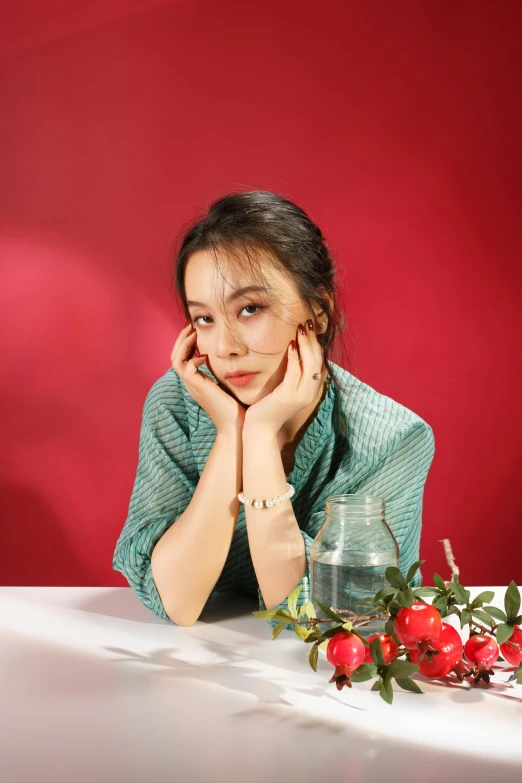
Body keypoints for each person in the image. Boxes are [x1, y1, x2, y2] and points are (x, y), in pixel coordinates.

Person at [112, 189, 435, 629]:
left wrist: (260, 436)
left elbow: (315, 617)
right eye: (204, 318)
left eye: (250, 309)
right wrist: (230, 435)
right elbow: (177, 603)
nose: (225, 348)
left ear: (318, 312)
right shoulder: (177, 403)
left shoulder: (391, 438)